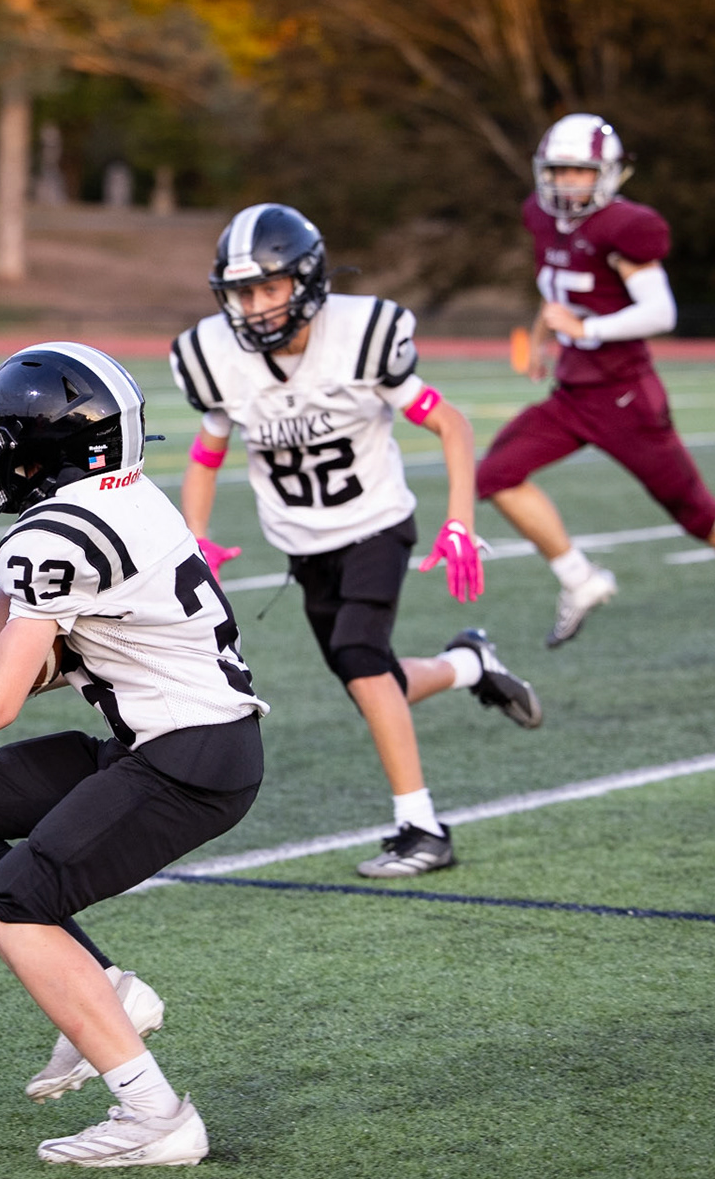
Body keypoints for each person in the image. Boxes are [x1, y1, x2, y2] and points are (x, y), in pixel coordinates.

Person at [0, 343, 267, 1167]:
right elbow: (89, 647)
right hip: (164, 737)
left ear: (53, 448)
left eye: (9, 441)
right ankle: (105, 991)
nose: (0, 458)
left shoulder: (54, 534)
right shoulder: (131, 496)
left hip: (189, 760)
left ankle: (155, 1114)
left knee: (16, 901)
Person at [170, 202, 540, 880]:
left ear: (307, 281)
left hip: (376, 524)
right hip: (303, 545)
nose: (253, 307)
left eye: (268, 288)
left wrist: (461, 518)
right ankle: (470, 665)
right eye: (241, 292)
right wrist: (196, 532)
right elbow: (206, 450)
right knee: (372, 679)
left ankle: (421, 825)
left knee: (359, 656)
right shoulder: (216, 359)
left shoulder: (362, 335)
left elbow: (451, 423)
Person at [478, 113, 715, 674]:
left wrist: (584, 330)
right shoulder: (541, 219)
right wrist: (547, 336)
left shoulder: (626, 227)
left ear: (609, 174)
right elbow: (558, 289)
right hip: (573, 393)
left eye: (580, 172)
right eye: (560, 171)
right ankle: (581, 579)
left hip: (624, 399)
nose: (568, 184)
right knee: (494, 475)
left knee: (697, 513)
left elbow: (660, 312)